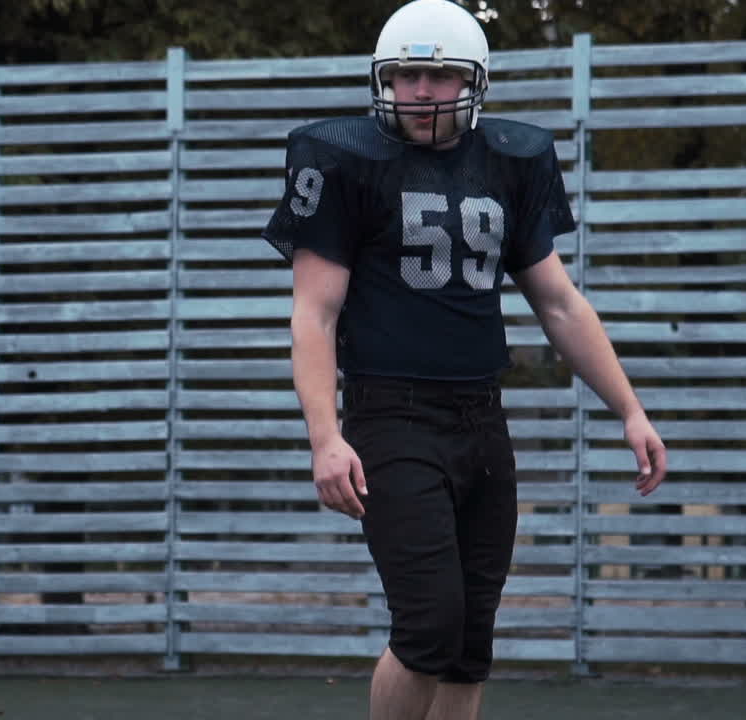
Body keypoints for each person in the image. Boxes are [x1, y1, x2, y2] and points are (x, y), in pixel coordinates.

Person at [261, 1, 667, 718]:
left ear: (474, 81)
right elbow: (313, 314)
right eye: (408, 75)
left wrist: (630, 410)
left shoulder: (512, 159)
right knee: (428, 627)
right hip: (392, 417)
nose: (420, 91)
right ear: (383, 79)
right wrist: (326, 436)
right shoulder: (343, 158)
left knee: (470, 641)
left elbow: (561, 304)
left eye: (439, 76)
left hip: (483, 420)